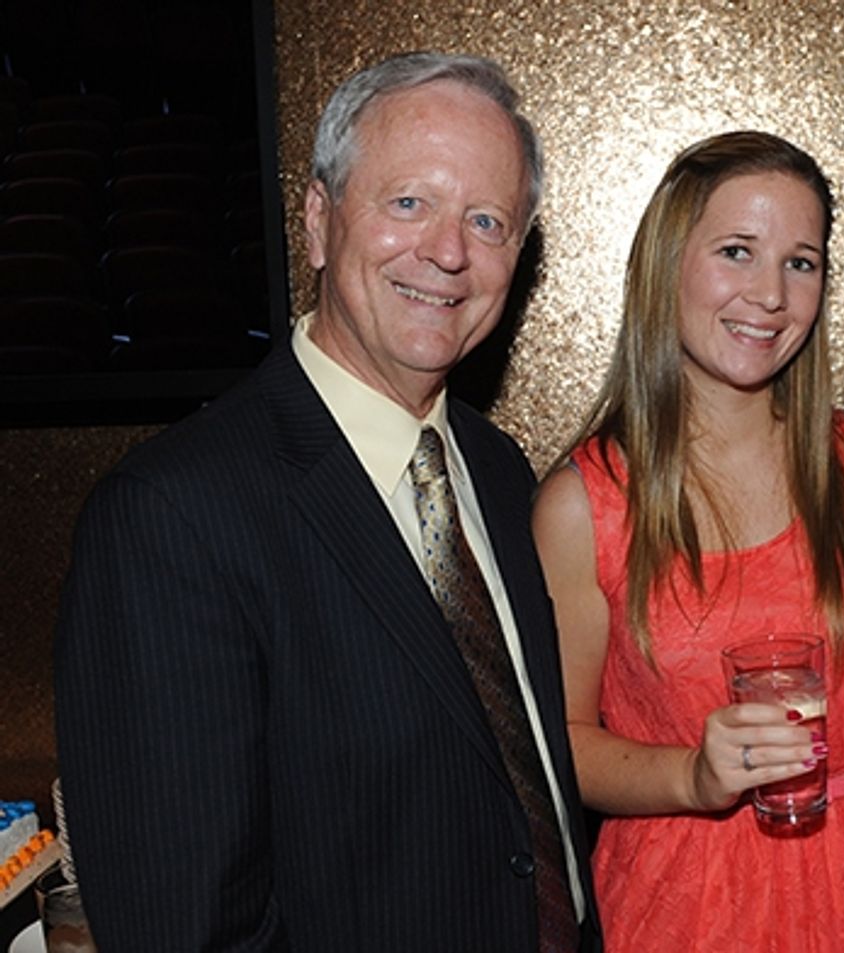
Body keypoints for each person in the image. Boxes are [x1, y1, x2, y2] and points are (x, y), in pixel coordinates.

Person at [54, 52, 601, 951]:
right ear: (316, 221)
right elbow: (185, 929)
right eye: (408, 202)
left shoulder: (502, 475)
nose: (449, 251)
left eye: (488, 219)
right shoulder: (170, 518)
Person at [531, 130, 844, 951]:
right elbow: (556, 743)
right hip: (675, 905)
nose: (771, 294)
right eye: (737, 251)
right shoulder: (584, 503)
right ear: (667, 264)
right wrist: (691, 776)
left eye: (801, 262)